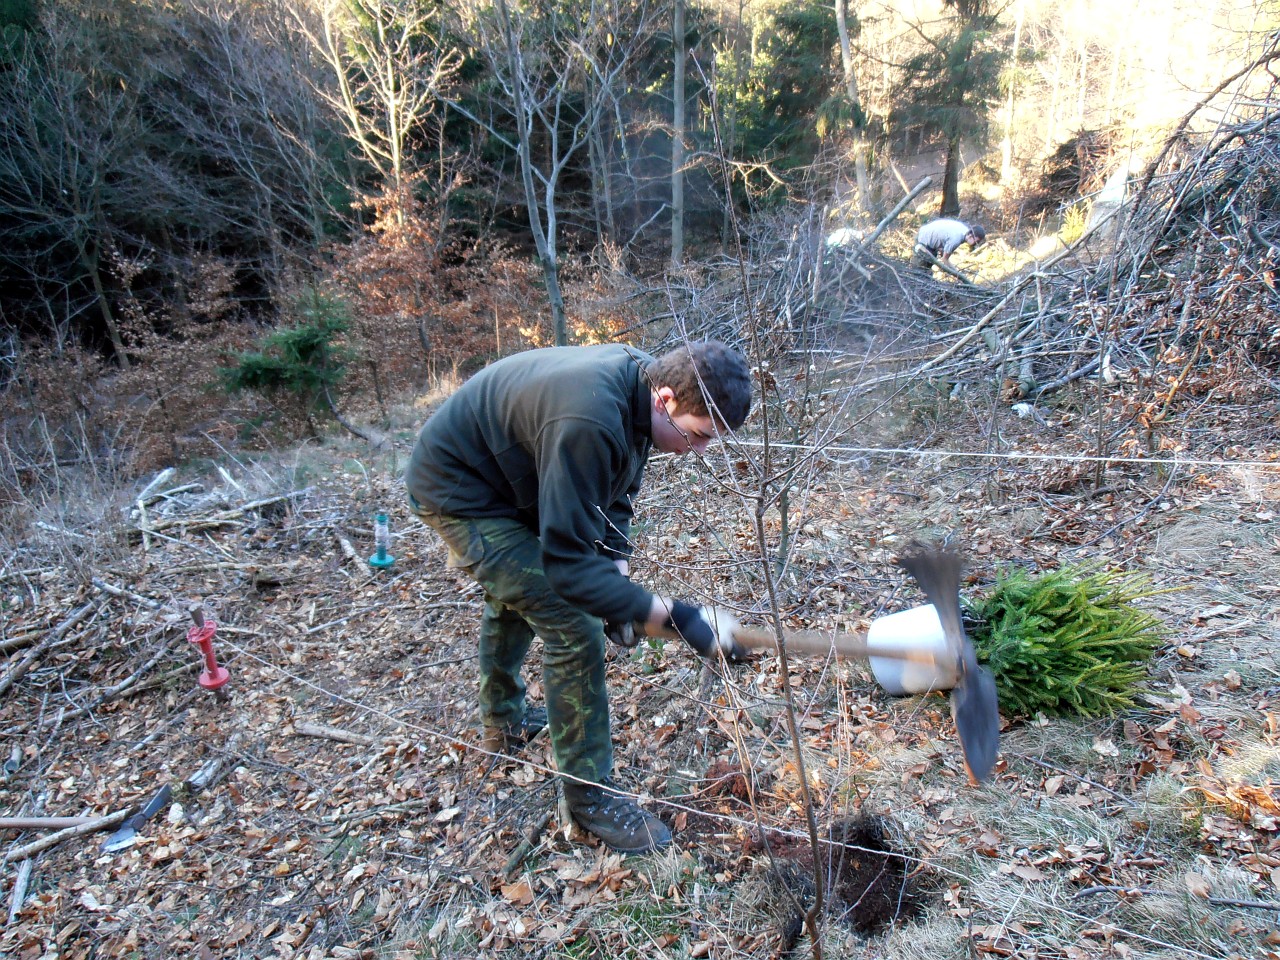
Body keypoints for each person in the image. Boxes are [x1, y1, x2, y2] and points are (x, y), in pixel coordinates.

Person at [405, 341, 753, 854]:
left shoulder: (640, 390)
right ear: (665, 401)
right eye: (699, 435)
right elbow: (567, 569)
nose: (700, 451)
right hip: (461, 489)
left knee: (521, 592)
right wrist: (675, 617)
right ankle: (590, 799)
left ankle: (503, 722)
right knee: (569, 620)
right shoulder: (590, 417)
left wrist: (617, 580)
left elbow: (616, 493)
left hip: (516, 477)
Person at [912, 218, 986, 267]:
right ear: (970, 236)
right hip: (923, 240)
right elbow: (944, 259)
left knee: (929, 265)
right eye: (976, 241)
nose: (975, 244)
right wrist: (957, 274)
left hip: (930, 241)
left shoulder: (964, 231)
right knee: (920, 268)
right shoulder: (956, 239)